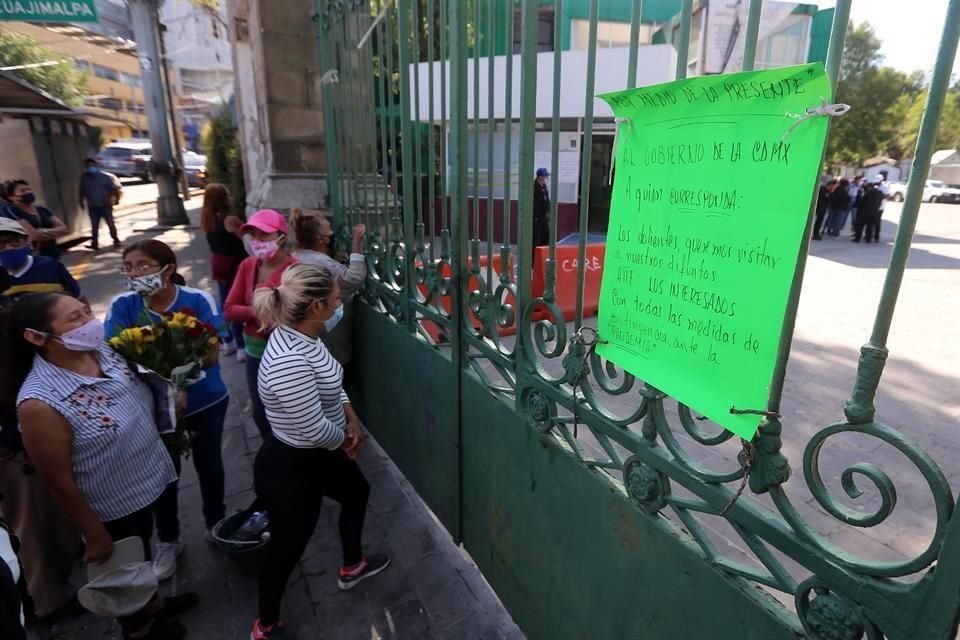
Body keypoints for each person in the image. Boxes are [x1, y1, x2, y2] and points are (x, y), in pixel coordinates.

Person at [1, 293, 197, 639]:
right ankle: (140, 629)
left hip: (142, 483)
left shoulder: (99, 352)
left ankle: (152, 604)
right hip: (107, 506)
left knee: (140, 551)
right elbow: (58, 482)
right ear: (36, 337)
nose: (89, 322)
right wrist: (93, 534)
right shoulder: (39, 403)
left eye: (86, 311)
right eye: (74, 319)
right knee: (120, 569)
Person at [249, 263, 389, 640]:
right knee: (288, 547)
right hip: (293, 463)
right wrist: (347, 443)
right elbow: (311, 428)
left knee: (357, 492)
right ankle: (265, 625)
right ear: (315, 308)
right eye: (334, 299)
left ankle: (352, 564)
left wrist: (351, 415)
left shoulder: (304, 336)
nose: (338, 302)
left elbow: (329, 380)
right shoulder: (288, 362)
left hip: (321, 449)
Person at [105, 239, 230, 580]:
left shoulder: (196, 301)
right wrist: (162, 387)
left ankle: (216, 522)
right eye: (128, 267)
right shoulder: (122, 306)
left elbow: (211, 355)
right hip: (153, 411)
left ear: (168, 269)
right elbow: (114, 360)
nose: (134, 273)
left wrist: (180, 381)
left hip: (207, 400)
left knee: (210, 465)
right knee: (163, 475)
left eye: (142, 265)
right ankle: (169, 540)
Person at [224, 209, 297, 441]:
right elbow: (228, 310)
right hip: (255, 351)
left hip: (287, 354)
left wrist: (249, 312)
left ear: (281, 237)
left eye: (263, 235)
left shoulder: (296, 270)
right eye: (253, 235)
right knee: (261, 414)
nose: (257, 241)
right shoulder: (248, 266)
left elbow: (293, 315)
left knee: (291, 412)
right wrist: (263, 310)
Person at [290, 209, 366, 372]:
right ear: (320, 238)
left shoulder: (297, 254)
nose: (332, 233)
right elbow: (354, 278)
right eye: (329, 230)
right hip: (330, 341)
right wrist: (357, 244)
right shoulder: (320, 261)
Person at [200, 183, 247, 363]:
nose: (231, 198)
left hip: (219, 265)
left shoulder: (208, 219)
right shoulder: (229, 220)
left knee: (224, 304)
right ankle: (241, 346)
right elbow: (247, 237)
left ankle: (227, 341)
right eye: (227, 194)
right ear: (222, 199)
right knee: (234, 305)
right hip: (235, 265)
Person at [0, 219, 80, 301]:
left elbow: (77, 297)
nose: (8, 248)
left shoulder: (51, 266)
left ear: (28, 241)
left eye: (15, 241)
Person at [1, 179, 68, 260]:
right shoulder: (12, 211)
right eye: (22, 191)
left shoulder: (42, 209)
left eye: (28, 189)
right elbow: (34, 235)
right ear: (11, 197)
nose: (28, 192)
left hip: (53, 254)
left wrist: (42, 231)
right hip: (34, 257)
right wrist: (54, 232)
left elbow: (64, 229)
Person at [78, 159, 122, 251]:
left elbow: (114, 190)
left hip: (105, 205)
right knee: (94, 225)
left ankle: (115, 239)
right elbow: (82, 190)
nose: (90, 167)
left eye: (92, 165)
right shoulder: (85, 178)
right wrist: (81, 201)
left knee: (110, 223)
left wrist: (116, 200)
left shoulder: (105, 177)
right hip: (93, 206)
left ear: (96, 166)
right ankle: (95, 243)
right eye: (88, 166)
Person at [852, 178, 886, 243]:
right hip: (875, 212)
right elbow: (882, 200)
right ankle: (868, 239)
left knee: (860, 225)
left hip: (865, 211)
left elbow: (861, 202)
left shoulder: (867, 193)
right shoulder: (880, 193)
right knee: (870, 226)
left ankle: (857, 238)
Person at [532, 168, 551, 255]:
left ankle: (542, 255)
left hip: (544, 217)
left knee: (546, 237)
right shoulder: (534, 187)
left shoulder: (544, 187)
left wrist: (548, 211)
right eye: (545, 176)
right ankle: (533, 259)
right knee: (535, 238)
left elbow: (546, 200)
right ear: (540, 177)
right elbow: (536, 203)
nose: (546, 178)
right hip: (537, 217)